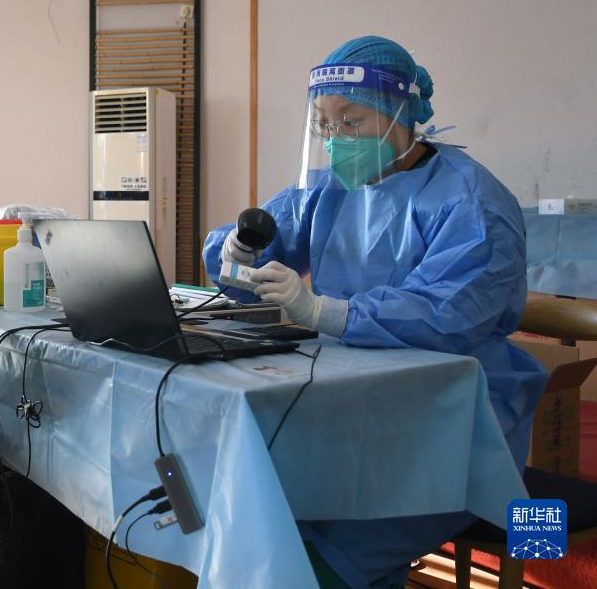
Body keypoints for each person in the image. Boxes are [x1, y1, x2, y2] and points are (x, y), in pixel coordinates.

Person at [203, 36, 549, 588]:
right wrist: (235, 253)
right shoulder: (329, 189)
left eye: (352, 121)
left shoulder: (472, 201)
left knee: (324, 560)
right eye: (324, 123)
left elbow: (446, 315)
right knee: (261, 515)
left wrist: (324, 311)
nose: (336, 139)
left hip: (452, 412)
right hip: (350, 395)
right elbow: (263, 238)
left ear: (403, 115)